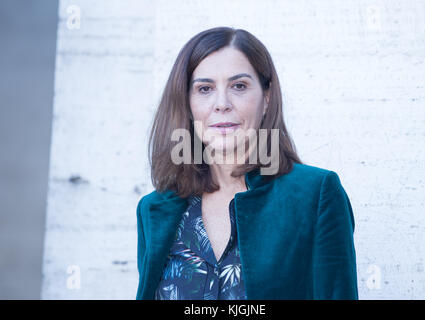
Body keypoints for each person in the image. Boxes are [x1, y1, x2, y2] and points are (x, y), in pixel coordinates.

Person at [136, 27, 358, 300]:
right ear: (186, 103)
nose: (222, 104)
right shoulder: (154, 209)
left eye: (238, 86)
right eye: (204, 89)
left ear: (266, 98)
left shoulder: (316, 194)